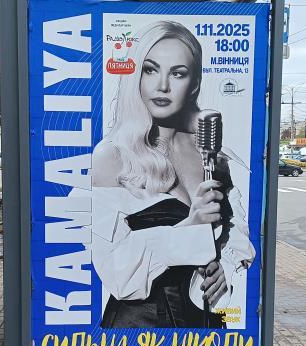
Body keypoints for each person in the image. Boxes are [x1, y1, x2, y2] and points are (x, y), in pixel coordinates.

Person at [91, 21, 255, 329]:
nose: (162, 85)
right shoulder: (112, 155)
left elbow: (235, 233)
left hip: (205, 324)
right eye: (150, 70)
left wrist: (225, 266)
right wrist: (190, 228)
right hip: (138, 330)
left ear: (194, 83)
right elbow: (112, 269)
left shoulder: (212, 156)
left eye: (178, 73)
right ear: (136, 76)